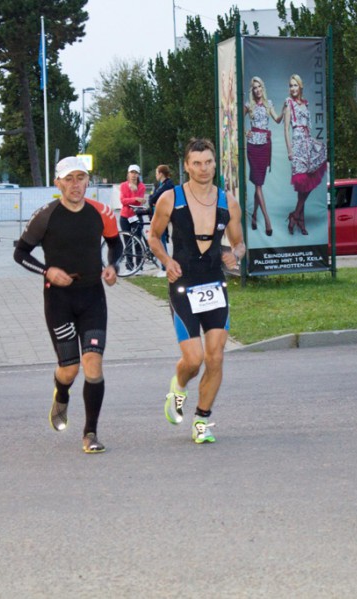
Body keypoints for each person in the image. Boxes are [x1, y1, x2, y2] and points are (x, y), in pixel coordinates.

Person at [13, 156, 122, 454]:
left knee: (93, 365)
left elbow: (115, 243)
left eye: (81, 178)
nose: (76, 185)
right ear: (57, 183)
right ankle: (61, 392)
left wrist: (113, 265)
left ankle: (90, 433)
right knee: (69, 369)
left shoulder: (101, 212)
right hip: (59, 300)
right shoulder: (46, 216)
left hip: (92, 297)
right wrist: (47, 271)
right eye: (69, 179)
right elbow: (20, 253)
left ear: (89, 181)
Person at [147, 138, 246, 444]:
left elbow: (239, 242)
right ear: (187, 166)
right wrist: (166, 260)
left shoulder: (227, 202)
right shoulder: (171, 199)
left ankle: (202, 420)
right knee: (193, 359)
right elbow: (153, 236)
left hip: (215, 284)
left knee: (215, 357)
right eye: (197, 163)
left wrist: (235, 255)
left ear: (215, 164)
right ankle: (178, 387)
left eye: (209, 163)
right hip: (184, 284)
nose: (204, 169)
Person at [281, 74, 327, 235]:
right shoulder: (289, 104)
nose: (292, 88)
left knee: (307, 185)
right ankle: (298, 219)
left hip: (307, 144)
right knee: (302, 183)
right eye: (290, 85)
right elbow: (286, 129)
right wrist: (289, 151)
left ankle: (296, 216)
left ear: (300, 86)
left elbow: (309, 126)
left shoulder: (305, 104)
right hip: (297, 146)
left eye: (295, 85)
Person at [244, 76, 282, 236]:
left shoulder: (269, 104)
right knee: (258, 184)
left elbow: (278, 120)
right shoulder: (248, 105)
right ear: (252, 90)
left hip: (265, 145)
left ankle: (253, 216)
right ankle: (267, 220)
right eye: (255, 87)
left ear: (262, 88)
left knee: (258, 184)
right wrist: (246, 132)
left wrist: (286, 108)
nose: (257, 90)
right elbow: (236, 120)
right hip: (253, 147)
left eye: (259, 87)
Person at [149, 165, 175, 275]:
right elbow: (152, 197)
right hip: (158, 214)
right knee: (160, 238)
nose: (155, 175)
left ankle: (165, 267)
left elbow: (154, 197)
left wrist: (153, 199)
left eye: (156, 173)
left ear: (161, 174)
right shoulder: (159, 185)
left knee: (161, 239)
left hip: (165, 216)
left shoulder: (168, 185)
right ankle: (163, 266)